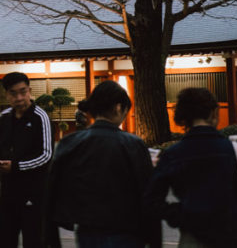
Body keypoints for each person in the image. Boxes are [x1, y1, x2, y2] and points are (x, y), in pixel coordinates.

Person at [43, 80, 159, 247]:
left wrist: (51, 238)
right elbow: (148, 195)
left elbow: (52, 192)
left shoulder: (70, 143)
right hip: (126, 230)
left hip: (87, 229)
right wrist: (154, 240)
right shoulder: (132, 144)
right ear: (118, 107)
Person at [144, 87, 237, 247]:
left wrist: (178, 214)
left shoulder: (174, 154)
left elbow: (152, 200)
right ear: (213, 113)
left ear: (183, 117)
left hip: (192, 234)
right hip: (230, 235)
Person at [0, 72, 53, 248]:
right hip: (7, 192)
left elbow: (46, 155)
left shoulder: (41, 117)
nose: (19, 98)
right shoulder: (4, 117)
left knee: (34, 241)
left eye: (23, 92)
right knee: (4, 240)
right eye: (13, 93)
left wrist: (16, 167)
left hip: (34, 193)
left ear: (29, 91)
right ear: (6, 94)